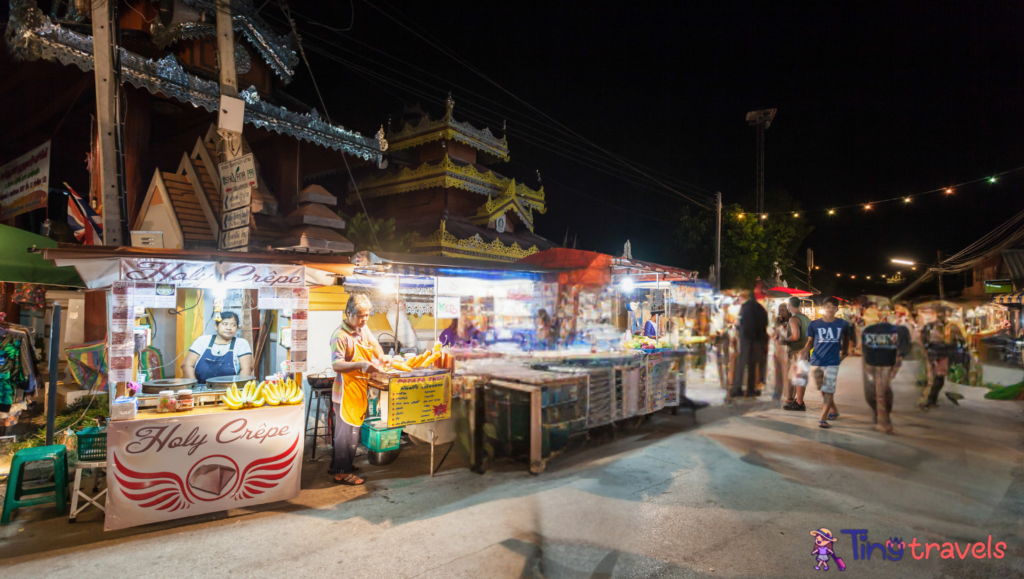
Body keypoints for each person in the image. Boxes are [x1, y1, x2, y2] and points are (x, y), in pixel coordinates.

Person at [329, 294, 386, 485]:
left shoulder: (362, 328)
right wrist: (361, 364)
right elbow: (336, 365)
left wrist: (382, 356)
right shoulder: (340, 336)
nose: (364, 319)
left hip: (359, 387)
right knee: (347, 435)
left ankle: (338, 465)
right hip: (345, 392)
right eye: (361, 316)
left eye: (367, 315)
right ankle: (342, 473)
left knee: (348, 432)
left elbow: (374, 344)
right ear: (348, 313)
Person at [799, 297, 852, 428]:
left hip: (832, 361)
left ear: (837, 309)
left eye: (833, 307)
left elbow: (847, 339)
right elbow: (810, 342)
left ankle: (823, 418)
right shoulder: (814, 324)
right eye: (828, 307)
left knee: (828, 389)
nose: (830, 309)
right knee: (821, 388)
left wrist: (844, 353)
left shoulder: (843, 324)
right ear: (824, 308)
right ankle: (833, 409)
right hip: (816, 359)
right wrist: (804, 351)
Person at [861, 315, 911, 434]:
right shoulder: (897, 330)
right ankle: (883, 420)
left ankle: (882, 421)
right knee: (881, 392)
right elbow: (903, 350)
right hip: (883, 361)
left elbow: (865, 350)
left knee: (879, 393)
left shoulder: (869, 331)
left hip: (878, 361)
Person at [181, 312, 253, 384]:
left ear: (237, 328)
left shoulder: (241, 343)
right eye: (225, 324)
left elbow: (246, 369)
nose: (229, 328)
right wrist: (194, 388)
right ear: (216, 326)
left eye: (233, 325)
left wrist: (238, 390)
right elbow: (187, 365)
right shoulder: (202, 341)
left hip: (230, 390)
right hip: (201, 389)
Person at [920, 308, 963, 409]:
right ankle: (929, 400)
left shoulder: (951, 327)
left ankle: (930, 400)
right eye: (940, 313)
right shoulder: (931, 327)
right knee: (935, 378)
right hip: (936, 354)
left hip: (940, 354)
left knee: (937, 378)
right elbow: (924, 338)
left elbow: (956, 340)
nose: (941, 315)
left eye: (943, 313)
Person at [731, 290, 768, 398]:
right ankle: (750, 389)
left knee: (741, 364)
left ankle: (737, 388)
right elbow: (765, 324)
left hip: (746, 339)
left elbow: (740, 323)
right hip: (758, 340)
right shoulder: (761, 309)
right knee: (753, 365)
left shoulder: (744, 308)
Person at [783, 297, 811, 410]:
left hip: (796, 351)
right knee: (798, 377)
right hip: (804, 350)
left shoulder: (793, 319)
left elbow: (795, 336)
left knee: (794, 377)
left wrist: (785, 340)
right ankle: (796, 400)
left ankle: (795, 402)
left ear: (789, 305)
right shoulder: (806, 318)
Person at [769, 303, 791, 401]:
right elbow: (774, 335)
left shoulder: (792, 322)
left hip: (787, 350)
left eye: (783, 310)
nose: (781, 312)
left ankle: (788, 395)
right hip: (778, 349)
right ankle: (777, 392)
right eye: (780, 310)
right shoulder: (778, 322)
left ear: (788, 311)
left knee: (786, 373)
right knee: (777, 373)